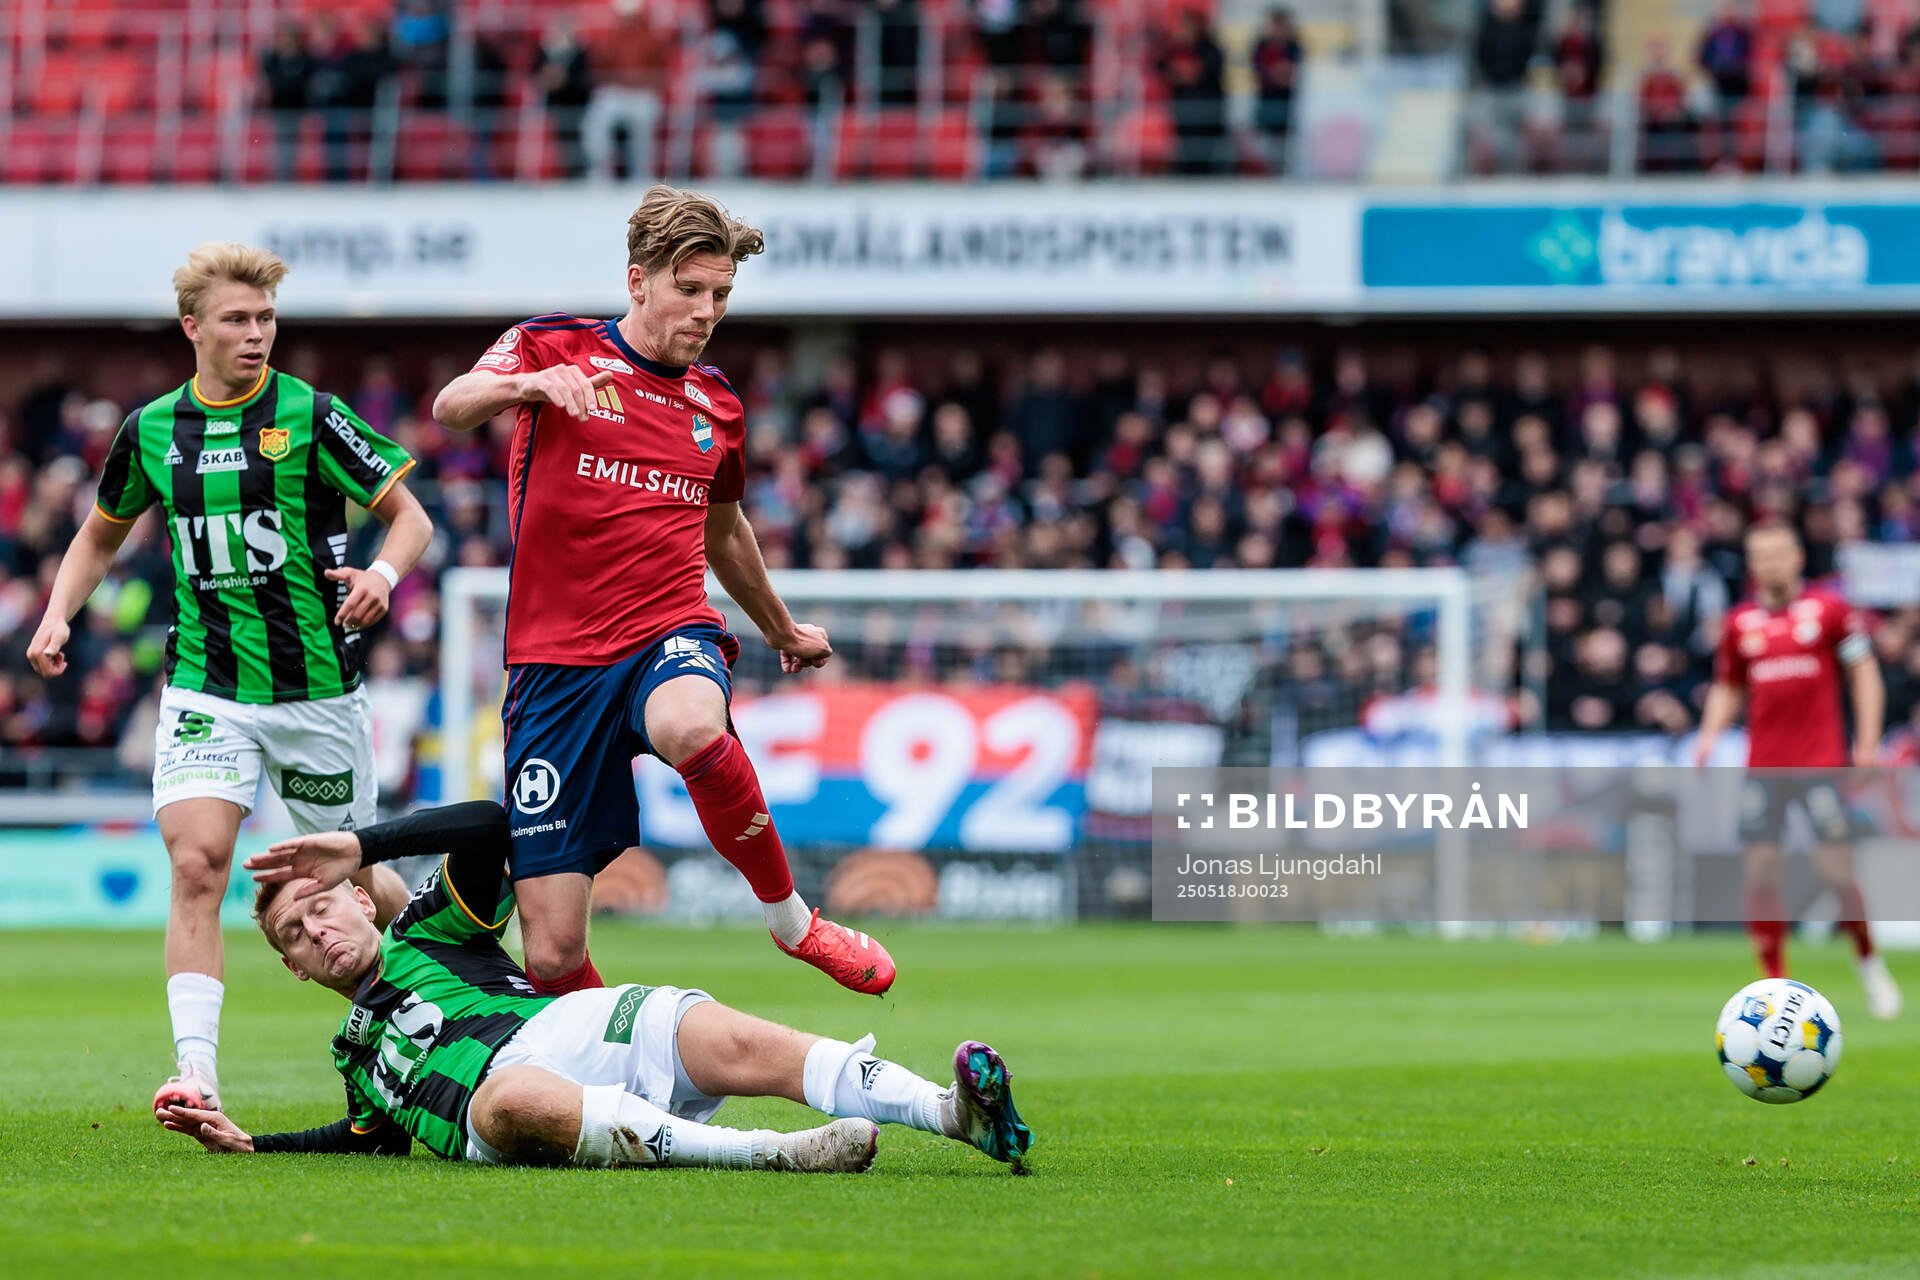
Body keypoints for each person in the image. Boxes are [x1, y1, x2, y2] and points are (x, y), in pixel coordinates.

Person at [429, 185, 895, 998]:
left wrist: (782, 630)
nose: (706, 310)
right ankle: (629, 1071)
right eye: (690, 290)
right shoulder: (553, 346)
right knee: (550, 955)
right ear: (638, 280)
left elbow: (725, 532)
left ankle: (793, 923)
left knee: (689, 724)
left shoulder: (716, 402)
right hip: (553, 668)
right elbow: (451, 404)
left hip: (665, 630)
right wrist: (529, 389)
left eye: (721, 295)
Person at [25, 243, 432, 1111]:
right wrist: (59, 610)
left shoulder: (311, 415)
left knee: (352, 880)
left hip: (317, 691)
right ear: (192, 329)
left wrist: (382, 577)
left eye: (266, 319)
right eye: (237, 321)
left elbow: (410, 518)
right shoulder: (149, 432)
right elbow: (100, 533)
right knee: (201, 865)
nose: (256, 335)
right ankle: (198, 1072)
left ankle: (453, 955)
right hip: (207, 689)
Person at [157, 802, 1032, 1174]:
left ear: (355, 895)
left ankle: (954, 1114)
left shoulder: (428, 926)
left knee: (739, 1041)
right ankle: (774, 1152)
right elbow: (365, 1141)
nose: (319, 934)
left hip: (573, 1026)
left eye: (321, 909)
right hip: (503, 1101)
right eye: (296, 938)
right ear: (295, 968)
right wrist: (257, 1145)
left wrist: (368, 842)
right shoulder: (358, 1054)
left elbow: (496, 827)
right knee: (500, 1103)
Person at [1693, 520, 1899, 1018]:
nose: (1771, 564)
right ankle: (1772, 988)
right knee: (1761, 870)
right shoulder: (1741, 623)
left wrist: (1867, 742)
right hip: (1764, 764)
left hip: (1819, 761)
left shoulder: (1829, 612)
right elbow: (1728, 686)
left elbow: (1864, 672)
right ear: (1751, 565)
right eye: (1761, 556)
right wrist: (1707, 735)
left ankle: (1869, 962)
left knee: (1834, 870)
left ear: (1797, 558)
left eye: (1779, 554)